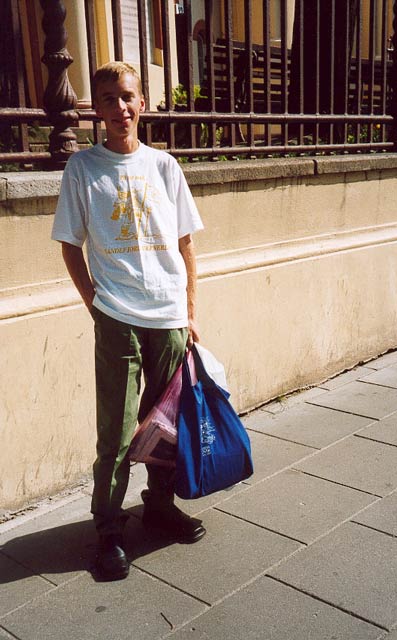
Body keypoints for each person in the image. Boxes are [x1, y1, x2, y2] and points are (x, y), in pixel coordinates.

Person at [52, 62, 205, 581]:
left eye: (127, 97)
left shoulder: (165, 166)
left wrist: (189, 311)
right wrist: (94, 303)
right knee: (116, 433)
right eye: (109, 99)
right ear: (96, 109)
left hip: (168, 317)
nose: (120, 108)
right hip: (117, 316)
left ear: (142, 102)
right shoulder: (83, 168)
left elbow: (185, 244)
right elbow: (70, 245)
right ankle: (109, 530)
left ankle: (159, 506)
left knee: (165, 429)